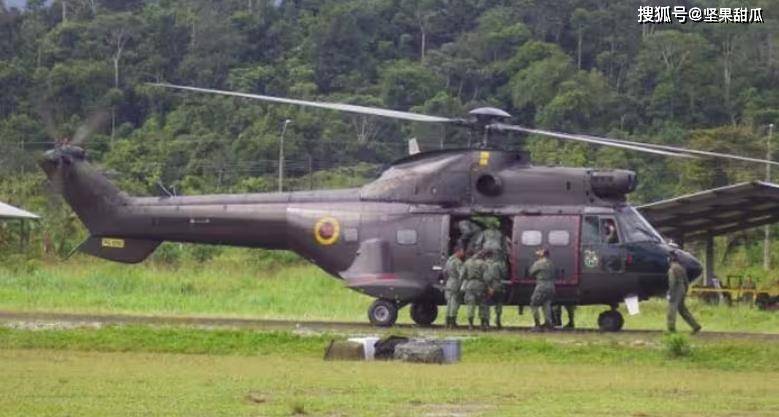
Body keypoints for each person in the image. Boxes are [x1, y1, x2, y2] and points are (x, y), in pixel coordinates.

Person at [667, 251, 701, 334]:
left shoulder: (672, 269)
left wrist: (670, 293)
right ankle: (695, 325)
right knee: (682, 309)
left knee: (672, 309)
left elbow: (672, 282)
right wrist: (685, 290)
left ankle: (671, 328)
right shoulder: (681, 268)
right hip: (682, 289)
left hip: (676, 290)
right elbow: (686, 281)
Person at [529, 247, 556, 331]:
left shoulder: (539, 263)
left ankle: (537, 325)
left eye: (539, 252)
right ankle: (548, 324)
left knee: (534, 304)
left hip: (541, 286)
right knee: (546, 304)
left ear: (542, 254)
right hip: (551, 286)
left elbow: (531, 272)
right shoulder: (551, 263)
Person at [461, 250, 488, 330]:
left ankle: (470, 325)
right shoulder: (484, 264)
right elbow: (487, 277)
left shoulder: (467, 263)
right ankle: (482, 325)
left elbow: (462, 276)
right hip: (480, 285)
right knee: (482, 305)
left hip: (470, 285)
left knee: (470, 305)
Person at [483, 250, 508, 329]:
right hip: (498, 286)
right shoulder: (497, 264)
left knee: (486, 305)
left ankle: (486, 322)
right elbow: (504, 274)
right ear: (492, 255)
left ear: (485, 256)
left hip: (487, 287)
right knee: (499, 303)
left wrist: (489, 286)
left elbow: (484, 276)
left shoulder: (483, 265)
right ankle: (498, 320)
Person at [443, 246, 466, 328]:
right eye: (462, 251)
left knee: (449, 303)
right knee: (455, 303)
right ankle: (452, 322)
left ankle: (447, 322)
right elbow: (462, 274)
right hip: (455, 283)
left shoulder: (449, 260)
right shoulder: (458, 262)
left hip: (449, 282)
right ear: (458, 252)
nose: (463, 253)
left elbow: (445, 272)